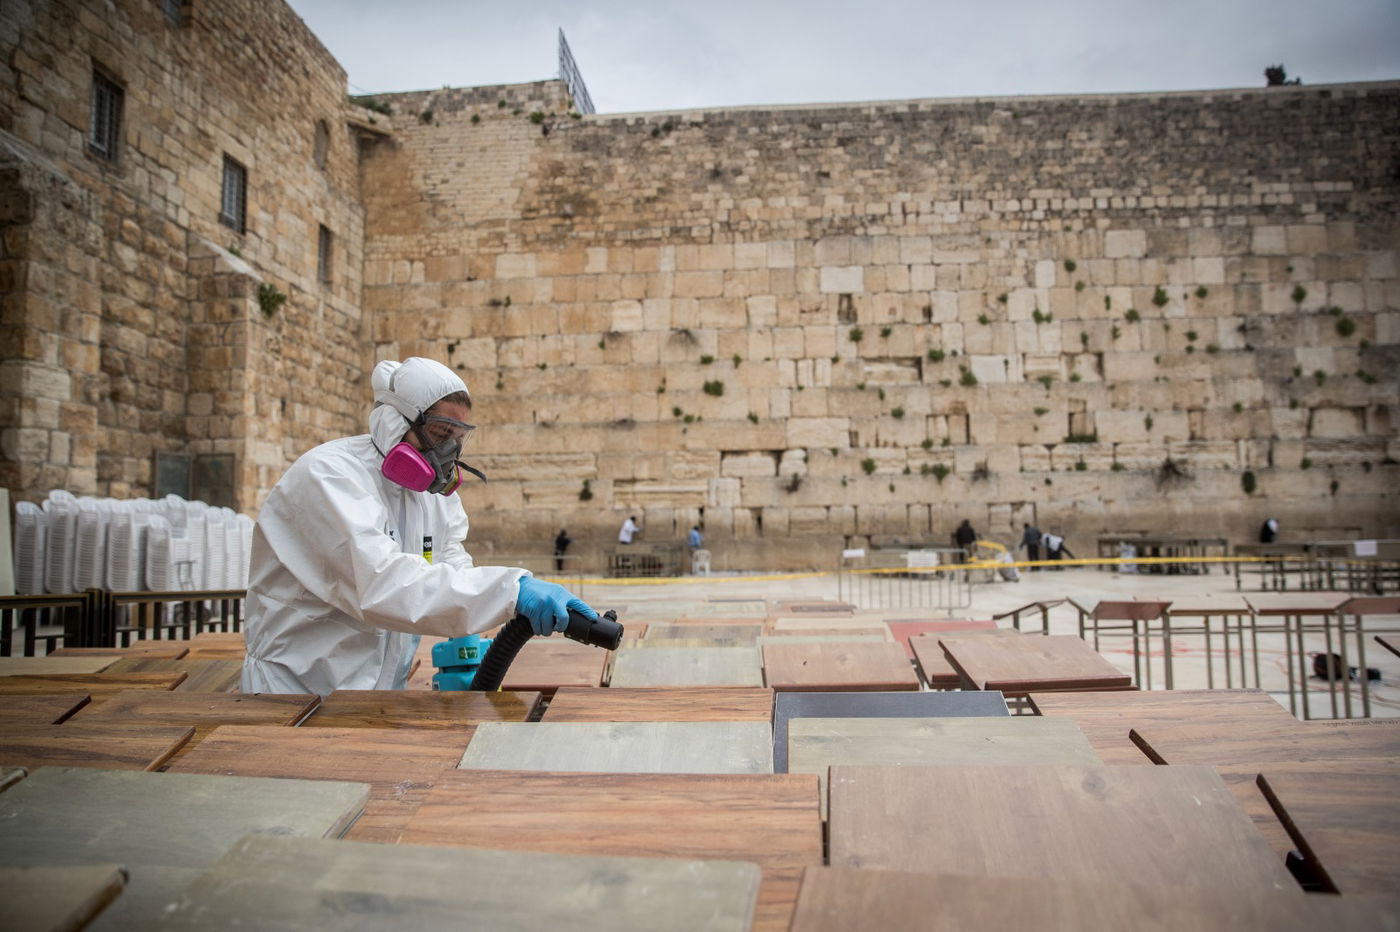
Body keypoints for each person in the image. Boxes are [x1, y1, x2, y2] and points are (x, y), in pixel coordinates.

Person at [241, 357, 596, 695]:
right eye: (441, 434)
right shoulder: (329, 476)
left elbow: (450, 561)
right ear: (395, 423)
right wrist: (510, 591)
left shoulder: (429, 496)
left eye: (458, 438)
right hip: (295, 694)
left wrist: (466, 636)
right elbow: (381, 583)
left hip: (373, 699)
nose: (448, 452)